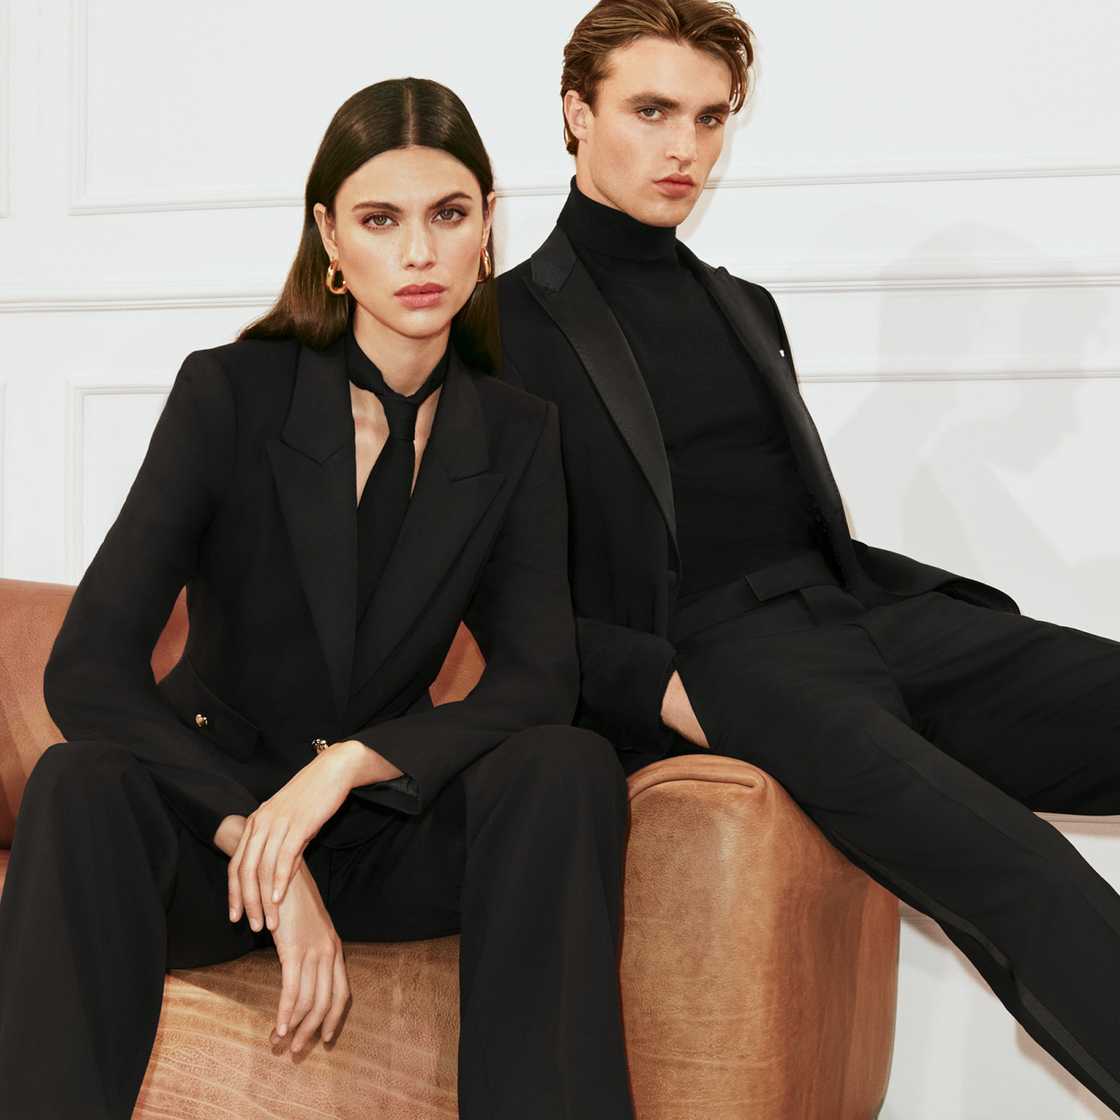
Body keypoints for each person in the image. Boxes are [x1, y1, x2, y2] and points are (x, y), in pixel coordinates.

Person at [495, 0, 1120, 1112]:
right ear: (577, 115)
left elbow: (786, 516)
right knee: (1018, 868)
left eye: (709, 118)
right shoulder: (500, 330)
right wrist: (660, 687)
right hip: (729, 662)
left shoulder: (746, 305)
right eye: (651, 111)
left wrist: (954, 622)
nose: (685, 148)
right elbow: (495, 589)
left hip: (860, 616)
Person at [0, 78, 635, 1120]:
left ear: (486, 226)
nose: (420, 253)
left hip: (381, 830)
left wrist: (346, 766)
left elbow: (537, 678)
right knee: (76, 782)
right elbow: (88, 669)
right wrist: (258, 840)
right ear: (330, 238)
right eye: (381, 220)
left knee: (568, 764)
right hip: (211, 835)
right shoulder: (229, 393)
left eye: (448, 214)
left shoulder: (517, 431)